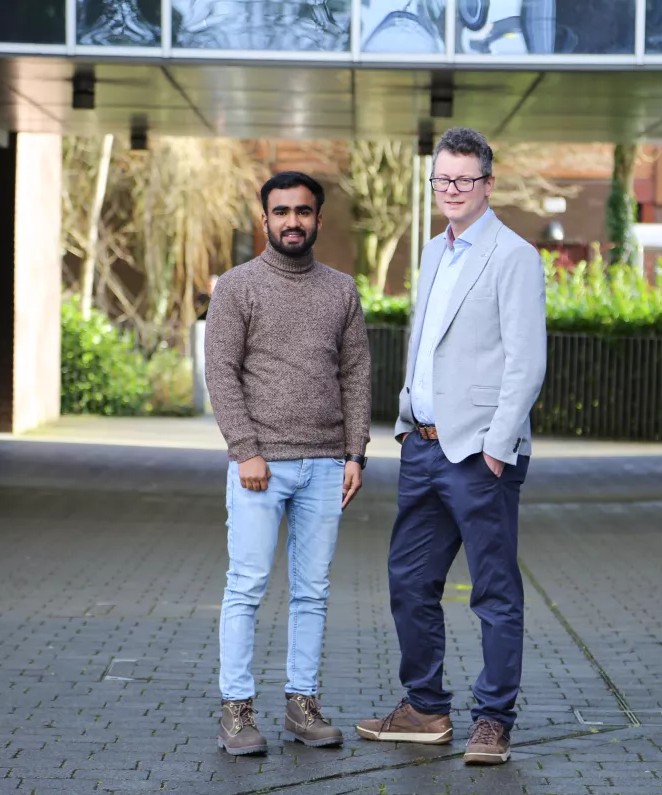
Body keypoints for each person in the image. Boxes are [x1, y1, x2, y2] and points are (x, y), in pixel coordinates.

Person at [355, 128, 547, 765]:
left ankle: (493, 720)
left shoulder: (513, 256)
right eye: (442, 180)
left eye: (464, 180)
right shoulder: (434, 252)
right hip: (424, 448)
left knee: (493, 592)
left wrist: (496, 447)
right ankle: (425, 707)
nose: (452, 191)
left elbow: (527, 362)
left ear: (488, 184)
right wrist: (408, 421)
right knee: (409, 579)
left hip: (480, 456)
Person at [205, 171, 372, 755]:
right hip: (259, 467)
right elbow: (221, 372)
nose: (292, 222)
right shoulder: (237, 287)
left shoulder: (342, 290)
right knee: (246, 587)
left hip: (326, 466)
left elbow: (354, 373)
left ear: (318, 220)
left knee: (313, 592)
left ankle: (302, 705)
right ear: (265, 219)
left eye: (303, 212)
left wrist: (355, 452)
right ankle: (236, 711)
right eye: (281, 212)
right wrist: (245, 448)